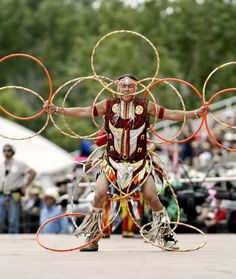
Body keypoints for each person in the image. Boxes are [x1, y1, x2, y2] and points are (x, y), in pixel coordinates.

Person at [45, 75, 209, 251]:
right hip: (112, 161)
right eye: (123, 85)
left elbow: (171, 114)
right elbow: (83, 111)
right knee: (99, 194)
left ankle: (166, 235)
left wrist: (196, 114)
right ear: (117, 87)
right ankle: (92, 238)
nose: (126, 88)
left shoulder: (145, 106)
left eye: (130, 86)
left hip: (139, 163)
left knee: (152, 197)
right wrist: (57, 110)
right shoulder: (107, 105)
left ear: (136, 88)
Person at [0, 144, 37, 233]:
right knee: (0, 218)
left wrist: (25, 185)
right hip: (2, 194)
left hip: (14, 194)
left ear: (13, 152)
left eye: (9, 150)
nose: (6, 152)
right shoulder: (1, 165)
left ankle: (13, 239)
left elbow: (33, 172)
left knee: (13, 220)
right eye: (4, 150)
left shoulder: (19, 164)